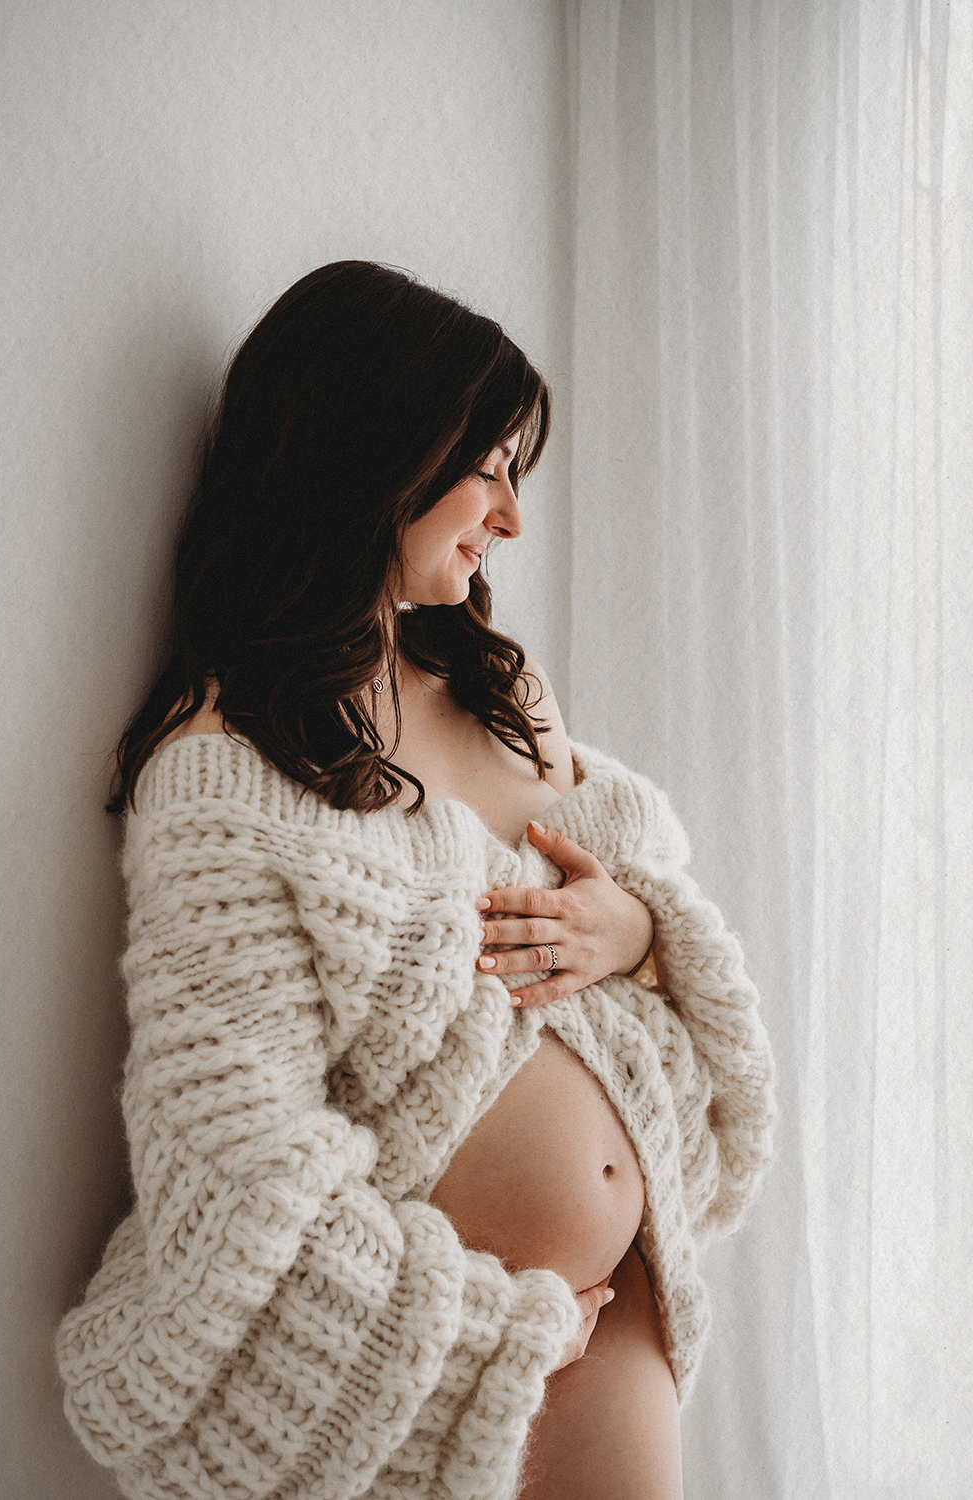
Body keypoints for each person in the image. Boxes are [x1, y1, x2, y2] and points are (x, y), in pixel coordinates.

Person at [56, 261, 775, 1500]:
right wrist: (495, 1328)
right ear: (373, 456)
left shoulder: (502, 691)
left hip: (622, 1319)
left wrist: (635, 924)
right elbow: (235, 1146)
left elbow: (632, 896)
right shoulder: (224, 772)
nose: (507, 515)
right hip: (455, 1353)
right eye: (486, 467)